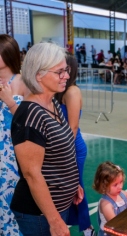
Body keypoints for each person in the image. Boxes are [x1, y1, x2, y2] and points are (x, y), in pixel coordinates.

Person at [10, 42, 82, 236]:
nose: (66, 75)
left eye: (66, 70)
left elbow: (60, 150)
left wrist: (71, 182)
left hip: (58, 205)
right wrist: (54, 220)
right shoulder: (30, 115)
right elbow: (32, 174)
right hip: (40, 214)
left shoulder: (52, 104)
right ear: (38, 74)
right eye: (59, 71)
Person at [54, 52, 94, 236]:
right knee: (66, 188)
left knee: (76, 187)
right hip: (63, 145)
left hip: (72, 147)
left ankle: (87, 227)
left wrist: (63, 151)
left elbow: (73, 127)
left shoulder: (72, 91)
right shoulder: (59, 89)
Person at [0, 34, 28, 236]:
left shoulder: (21, 81)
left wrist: (10, 101)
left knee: (9, 200)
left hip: (12, 152)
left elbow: (29, 121)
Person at [93, 161, 127, 236]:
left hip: (124, 228)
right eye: (115, 184)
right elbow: (115, 224)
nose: (120, 186)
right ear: (104, 186)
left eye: (121, 182)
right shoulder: (106, 204)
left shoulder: (123, 194)